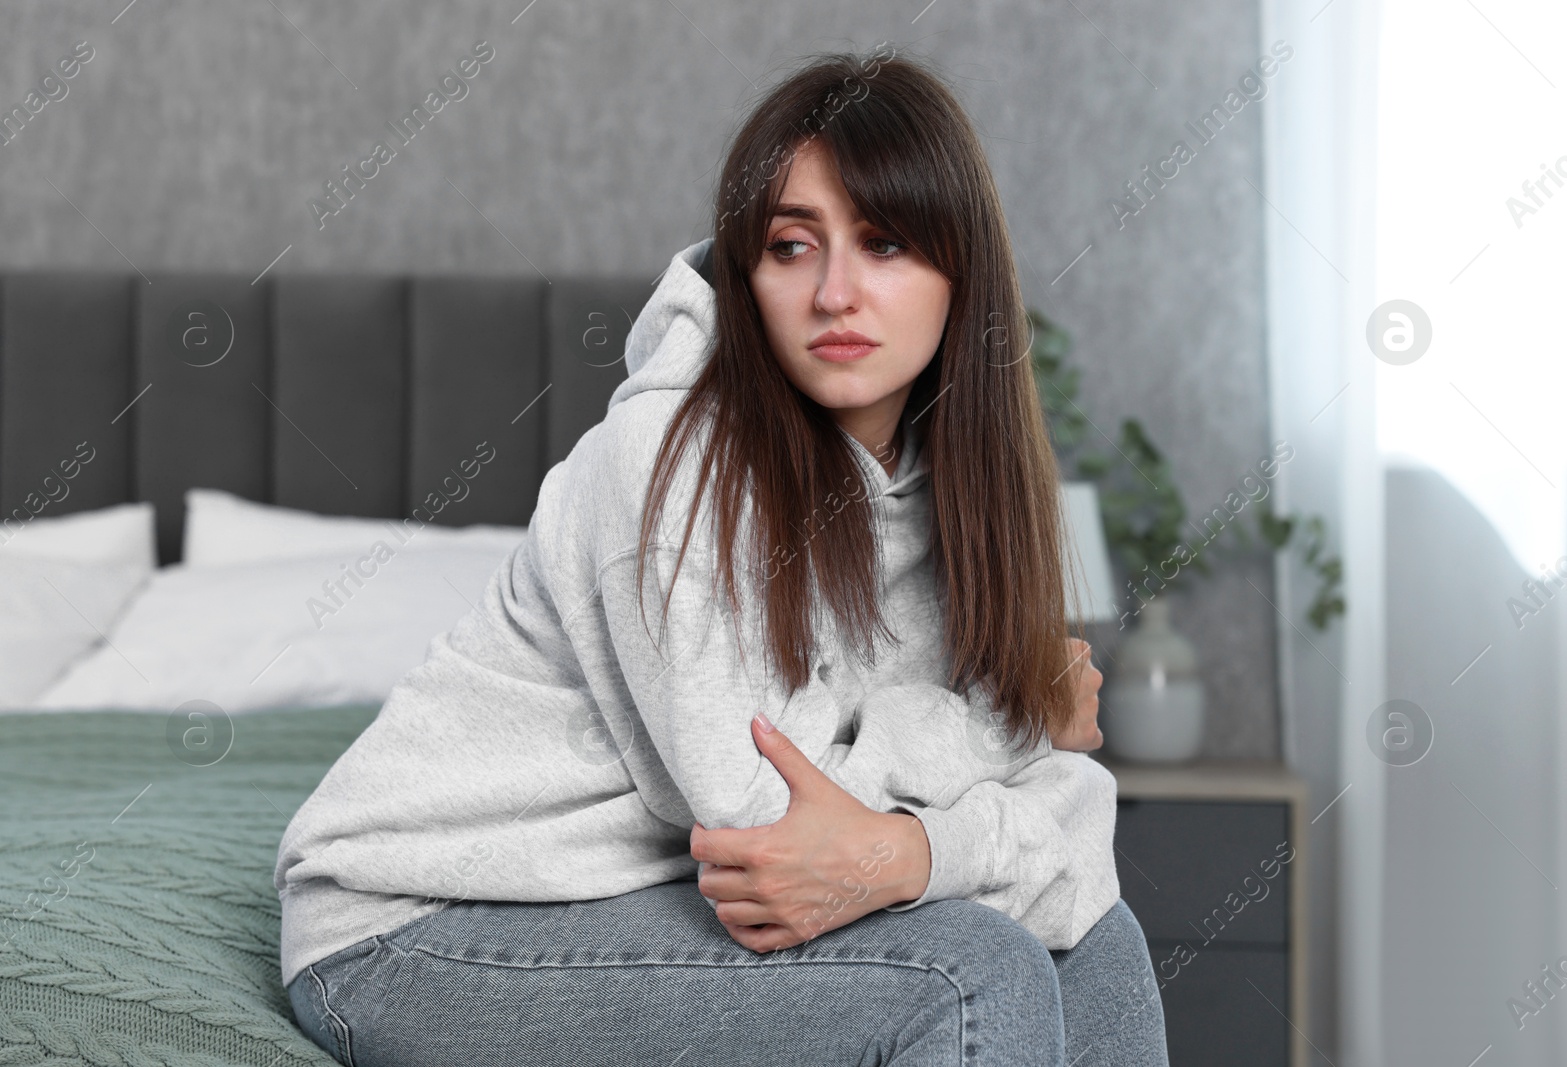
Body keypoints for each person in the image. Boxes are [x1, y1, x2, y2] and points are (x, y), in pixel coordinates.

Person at [277, 47, 1168, 1066]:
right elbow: (765, 818)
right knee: (972, 969)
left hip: (631, 896)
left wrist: (915, 847)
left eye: (882, 243)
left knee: (1092, 934)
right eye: (792, 246)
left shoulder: (960, 495)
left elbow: (1071, 824)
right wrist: (1004, 731)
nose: (835, 291)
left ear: (959, 274)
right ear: (747, 277)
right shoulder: (667, 457)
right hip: (414, 927)